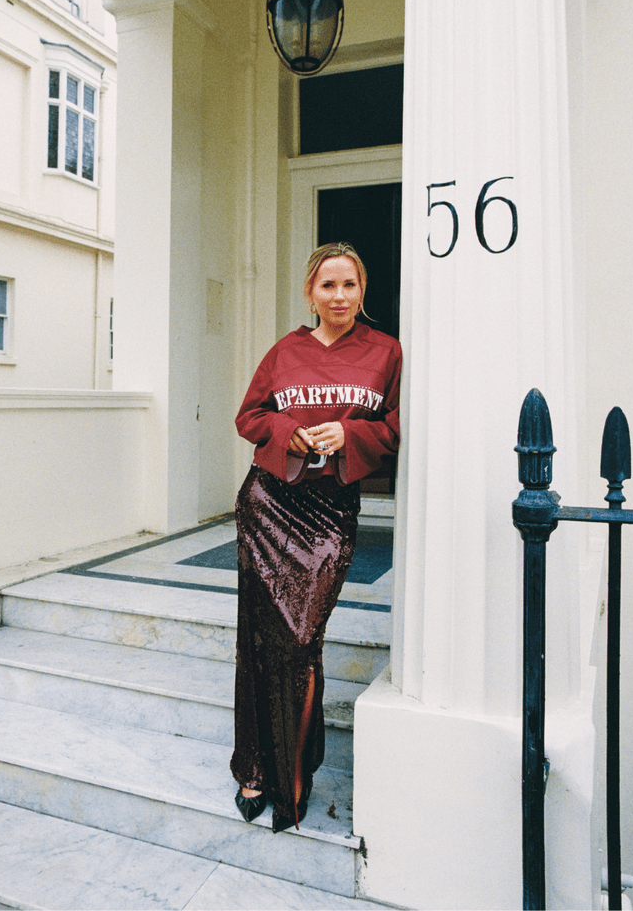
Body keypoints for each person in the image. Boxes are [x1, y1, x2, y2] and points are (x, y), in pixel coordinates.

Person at [230, 241, 402, 833]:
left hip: (330, 514)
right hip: (269, 504)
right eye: (327, 286)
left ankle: (294, 775)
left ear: (362, 291)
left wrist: (348, 433)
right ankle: (255, 765)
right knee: (260, 638)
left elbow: (396, 427)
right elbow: (249, 417)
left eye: (349, 285)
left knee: (302, 640)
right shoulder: (286, 351)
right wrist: (291, 430)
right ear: (310, 292)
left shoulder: (386, 352)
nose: (339, 297)